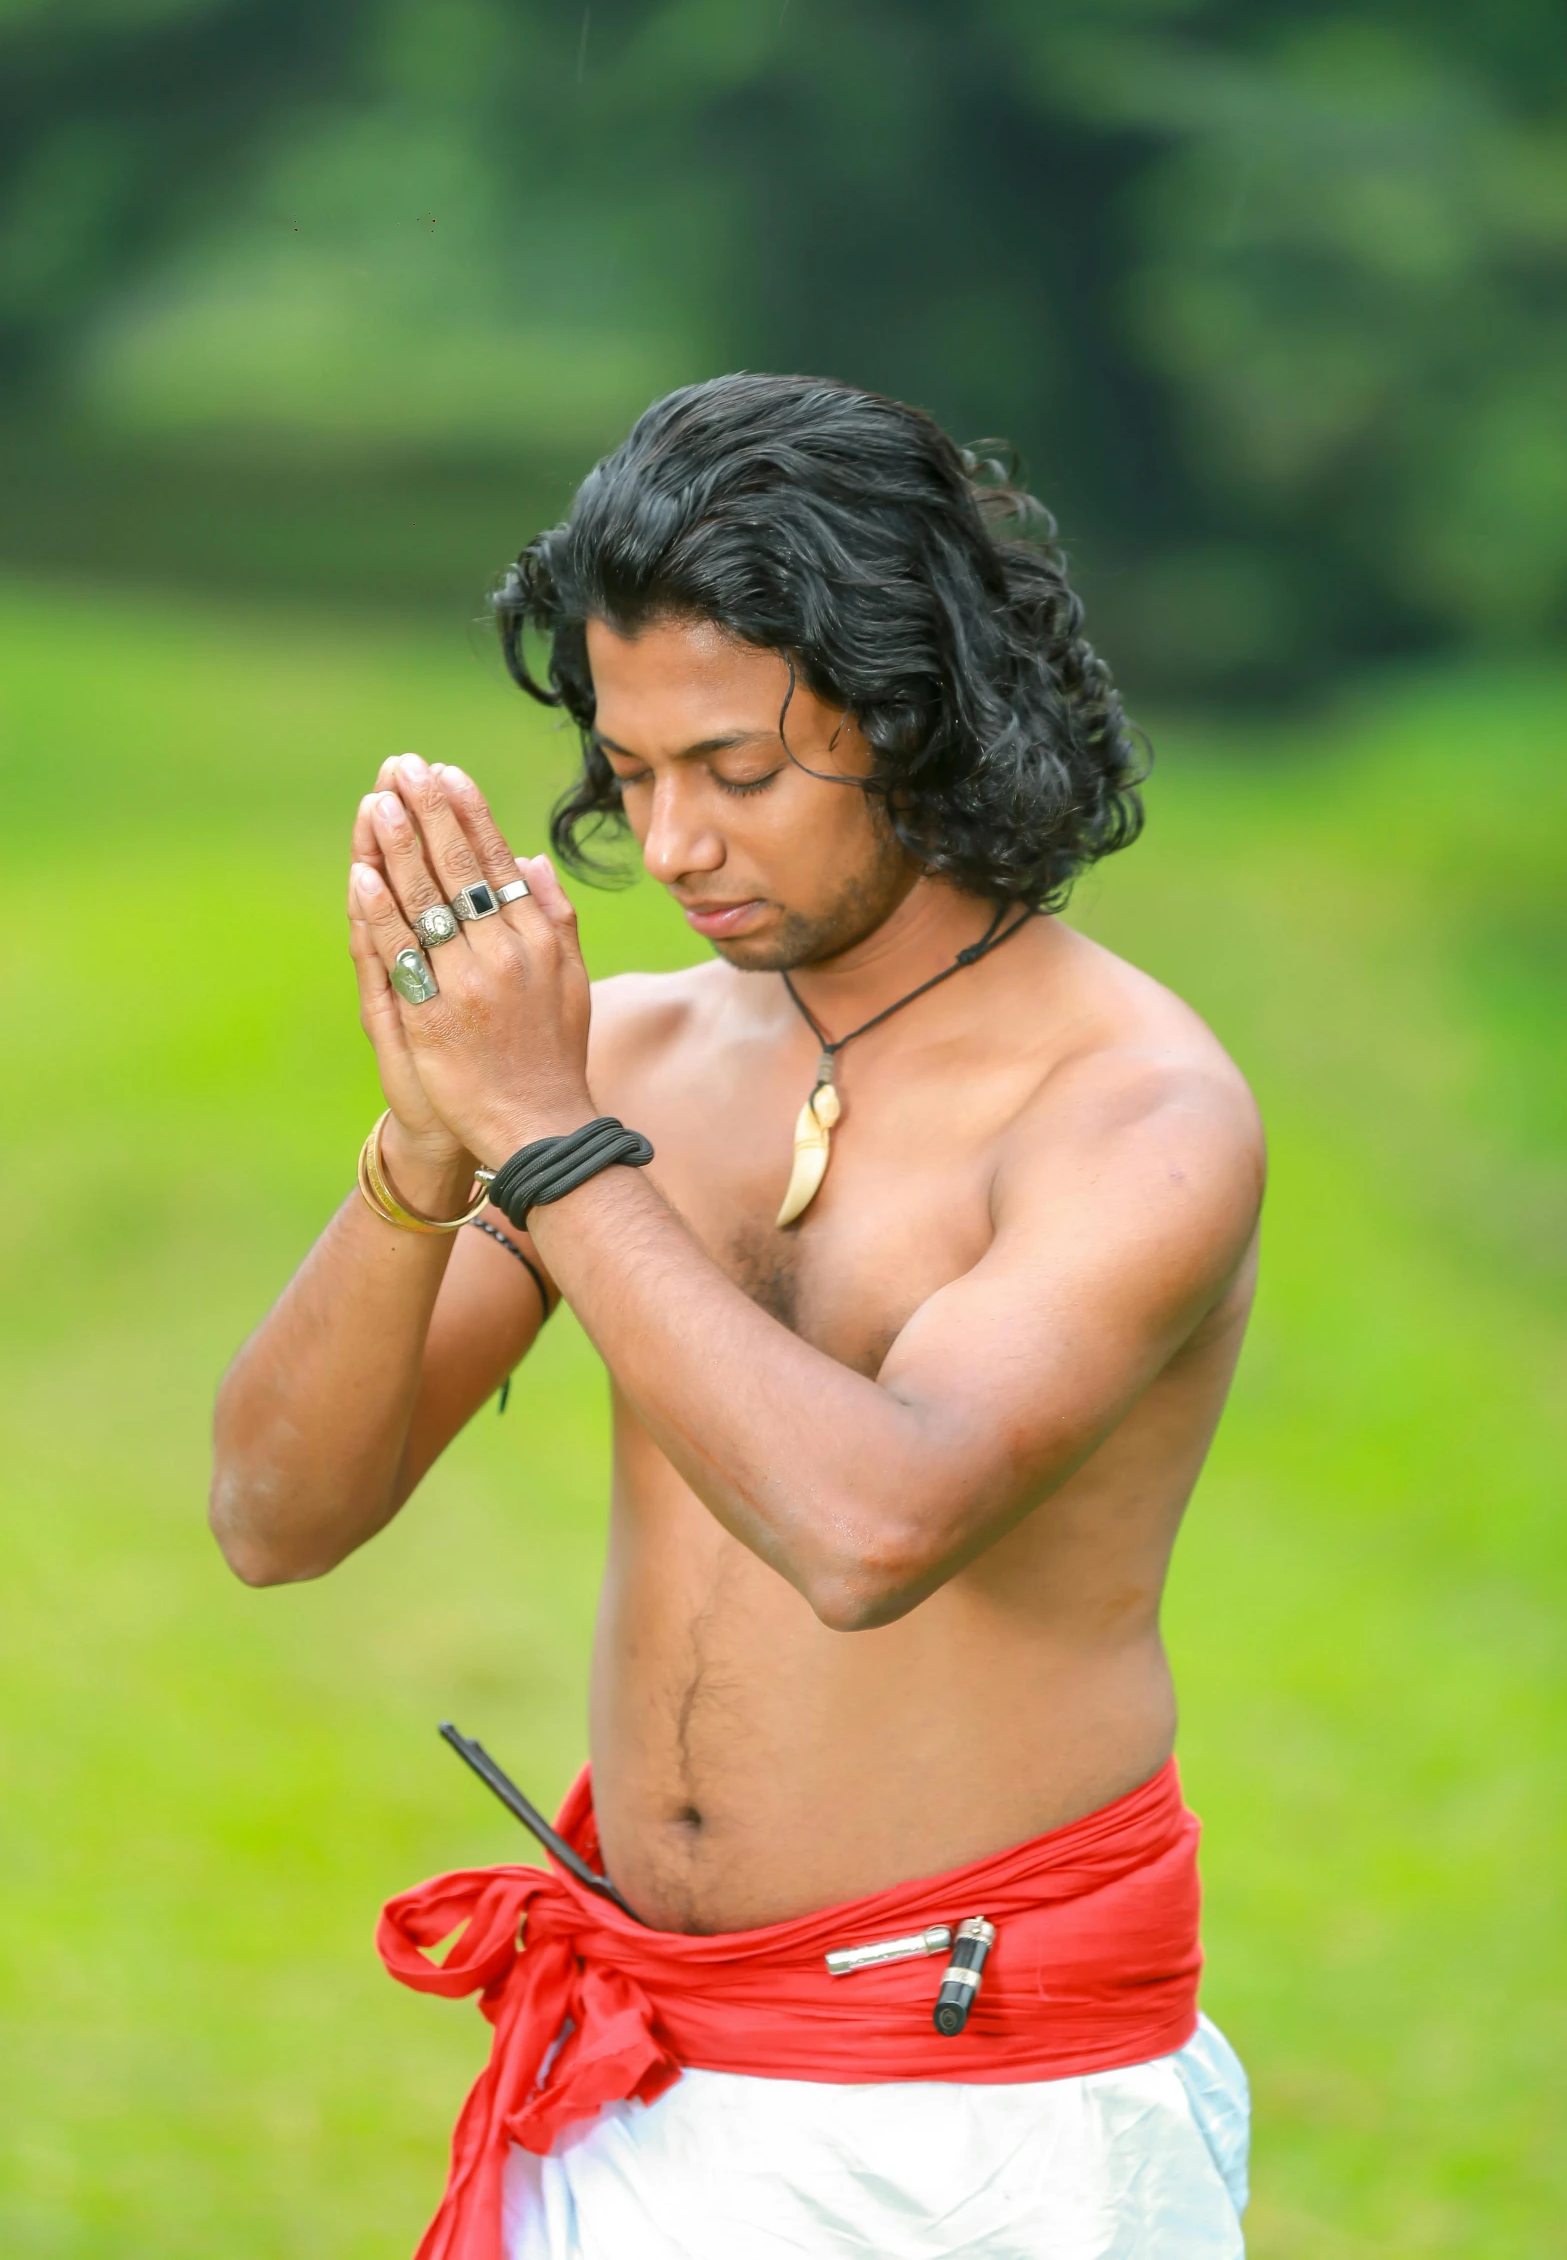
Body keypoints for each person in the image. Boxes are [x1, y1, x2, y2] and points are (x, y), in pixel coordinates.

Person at [211, 373, 1263, 2260]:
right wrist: (429, 1135)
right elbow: (274, 1515)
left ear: (913, 717)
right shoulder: (621, 1059)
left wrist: (540, 1133)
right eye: (630, 771)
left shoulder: (1133, 1108)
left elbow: (870, 1532)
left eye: (739, 771)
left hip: (990, 2107)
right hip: (637, 2074)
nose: (670, 840)